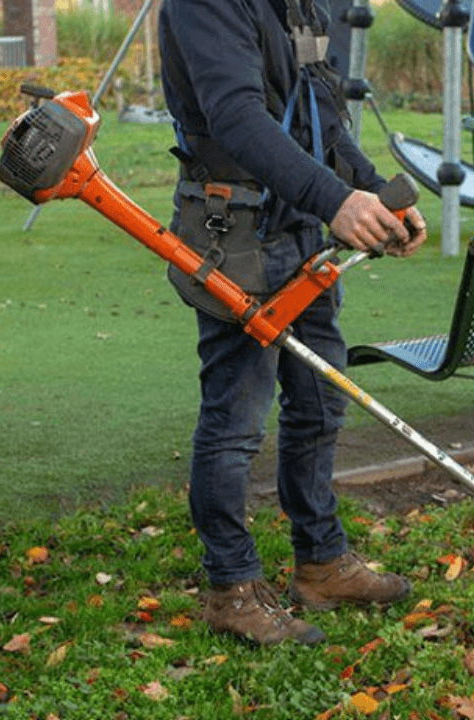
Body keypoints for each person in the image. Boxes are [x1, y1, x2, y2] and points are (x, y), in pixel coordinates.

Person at [157, 0, 427, 646]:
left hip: (303, 230)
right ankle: (231, 586)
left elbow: (323, 119)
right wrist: (337, 200)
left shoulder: (304, 3)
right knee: (235, 423)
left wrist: (373, 193)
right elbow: (239, 120)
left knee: (318, 404)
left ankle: (322, 562)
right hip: (238, 231)